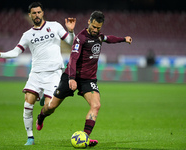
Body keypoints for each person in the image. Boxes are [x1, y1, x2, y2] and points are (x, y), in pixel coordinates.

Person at [36, 10, 132, 147]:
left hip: (88, 80)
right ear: (89, 22)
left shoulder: (99, 36)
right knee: (51, 107)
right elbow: (73, 59)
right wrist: (71, 78)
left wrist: (124, 39)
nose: (95, 30)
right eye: (93, 26)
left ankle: (85, 137)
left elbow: (109, 38)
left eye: (98, 28)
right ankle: (41, 117)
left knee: (96, 105)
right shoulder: (80, 38)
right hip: (71, 76)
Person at [0, 2, 76, 145]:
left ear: (43, 13)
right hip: (36, 74)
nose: (36, 15)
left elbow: (70, 42)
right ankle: (30, 138)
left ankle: (41, 117)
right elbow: (16, 52)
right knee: (27, 104)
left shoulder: (55, 26)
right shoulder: (27, 35)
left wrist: (71, 31)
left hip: (54, 73)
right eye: (33, 13)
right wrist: (1, 54)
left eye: (39, 12)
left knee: (51, 107)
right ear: (30, 15)